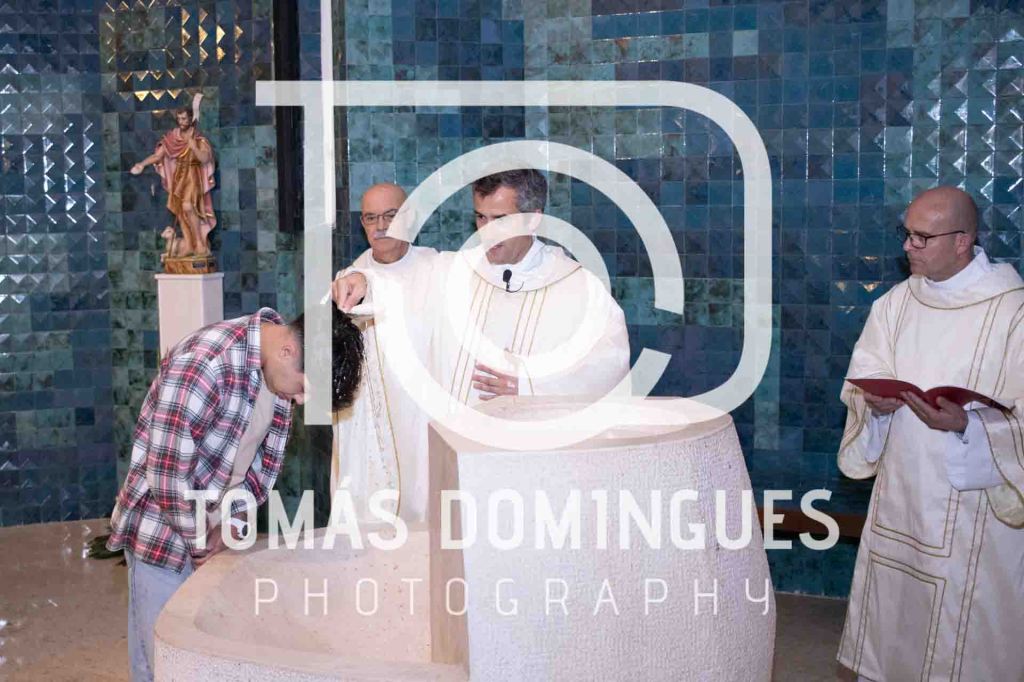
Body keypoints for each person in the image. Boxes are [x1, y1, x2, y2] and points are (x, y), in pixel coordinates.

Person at [332, 170, 631, 517]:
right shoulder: (456, 271)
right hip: (460, 465)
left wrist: (532, 383)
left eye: (500, 220)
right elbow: (400, 284)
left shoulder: (576, 287)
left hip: (532, 472)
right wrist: (362, 281)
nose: (486, 232)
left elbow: (607, 365)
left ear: (533, 219)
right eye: (480, 217)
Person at [106, 307, 363, 682]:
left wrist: (232, 523)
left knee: (199, 660)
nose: (301, 400)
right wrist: (201, 539)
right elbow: (166, 477)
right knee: (161, 663)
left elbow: (259, 468)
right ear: (288, 350)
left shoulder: (276, 373)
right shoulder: (206, 365)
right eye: (304, 386)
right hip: (162, 534)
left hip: (212, 531)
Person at [836, 186, 1024, 680]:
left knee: (961, 639)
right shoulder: (896, 304)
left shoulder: (1012, 312)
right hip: (901, 491)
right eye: (907, 234)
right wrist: (875, 406)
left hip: (972, 505)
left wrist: (967, 424)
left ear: (963, 241)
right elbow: (864, 377)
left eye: (922, 237)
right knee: (896, 616)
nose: (908, 247)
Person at [329, 183, 438, 523]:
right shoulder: (349, 281)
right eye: (371, 218)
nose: (381, 226)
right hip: (369, 424)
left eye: (391, 216)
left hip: (422, 415)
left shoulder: (436, 268)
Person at [131, 105, 216, 257]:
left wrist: (194, 148)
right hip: (179, 177)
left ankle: (200, 243)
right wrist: (142, 164)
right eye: (179, 119)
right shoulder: (173, 138)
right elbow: (158, 156)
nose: (181, 122)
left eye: (184, 119)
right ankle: (189, 245)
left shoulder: (198, 139)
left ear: (191, 119)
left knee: (188, 206)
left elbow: (205, 158)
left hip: (193, 175)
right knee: (180, 210)